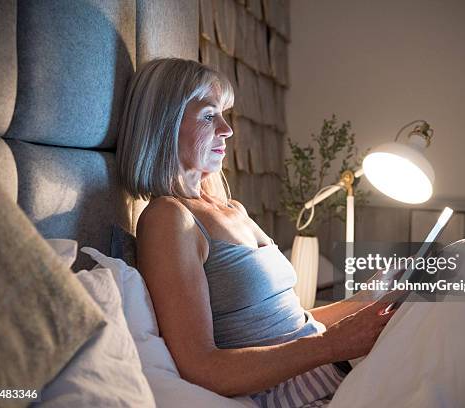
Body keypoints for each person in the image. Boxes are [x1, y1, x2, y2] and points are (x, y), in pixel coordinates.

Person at [116, 58, 397, 407]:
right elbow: (201, 367)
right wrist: (333, 344)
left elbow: (295, 324)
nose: (227, 129)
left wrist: (369, 299)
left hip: (332, 369)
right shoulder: (168, 219)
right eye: (208, 116)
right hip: (302, 391)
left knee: (456, 275)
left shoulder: (232, 208)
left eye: (223, 114)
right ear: (165, 125)